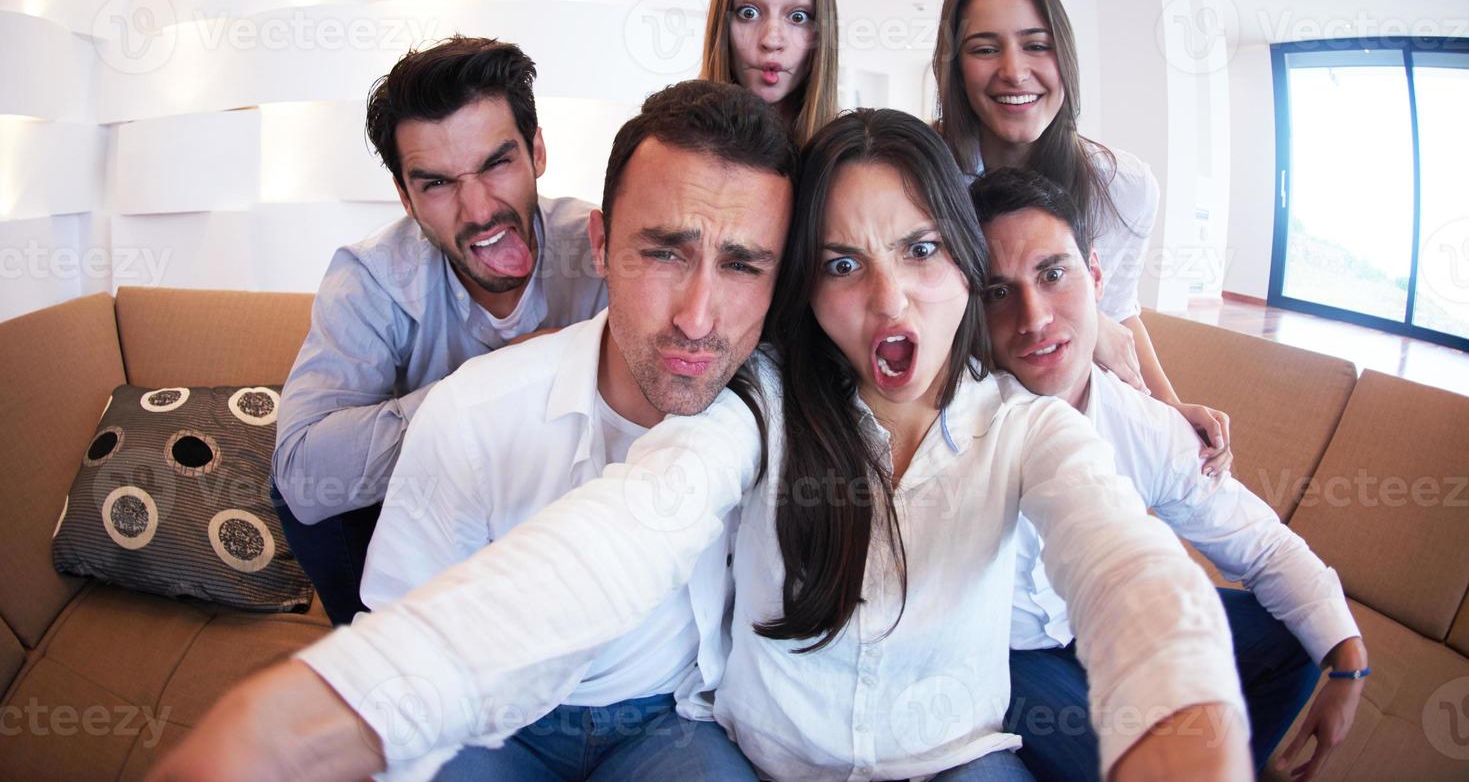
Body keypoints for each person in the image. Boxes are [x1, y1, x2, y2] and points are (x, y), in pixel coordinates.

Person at [151, 111, 1252, 782]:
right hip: (598, 728)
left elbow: (1121, 557)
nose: (886, 297)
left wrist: (1181, 710)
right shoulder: (752, 408)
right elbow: (617, 533)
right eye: (837, 263)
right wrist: (310, 710)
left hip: (899, 747)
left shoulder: (1025, 429)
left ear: (963, 264)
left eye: (921, 248)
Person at [360, 78, 797, 779]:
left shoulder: (787, 420)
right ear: (599, 245)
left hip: (670, 721)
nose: (696, 317)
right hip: (492, 722)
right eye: (663, 253)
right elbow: (398, 642)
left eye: (741, 265)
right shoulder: (472, 413)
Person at [971, 168, 1368, 782]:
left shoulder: (1145, 423)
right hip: (1013, 654)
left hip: (1109, 621)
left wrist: (1347, 661)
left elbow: (1261, 544)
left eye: (1054, 274)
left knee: (1290, 633)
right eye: (999, 292)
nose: (1034, 316)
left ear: (1096, 276)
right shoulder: (948, 420)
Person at [270, 36, 608, 624]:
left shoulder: (606, 249)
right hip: (433, 539)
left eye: (497, 164)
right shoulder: (371, 277)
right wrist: (491, 384)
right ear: (405, 196)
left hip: (568, 527)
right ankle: (389, 667)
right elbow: (301, 476)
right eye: (437, 183)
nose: (478, 211)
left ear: (537, 152)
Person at [931, 0, 1231, 462]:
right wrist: (1090, 331)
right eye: (985, 49)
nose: (1013, 70)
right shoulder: (924, 176)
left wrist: (1168, 407)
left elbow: (1120, 309)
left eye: (1036, 44)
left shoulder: (1124, 187)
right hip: (956, 420)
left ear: (1064, 57)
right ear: (956, 69)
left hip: (1070, 425)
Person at [700, 0, 838, 143]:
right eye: (748, 13)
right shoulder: (673, 149)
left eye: (798, 16)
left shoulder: (842, 164)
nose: (771, 41)